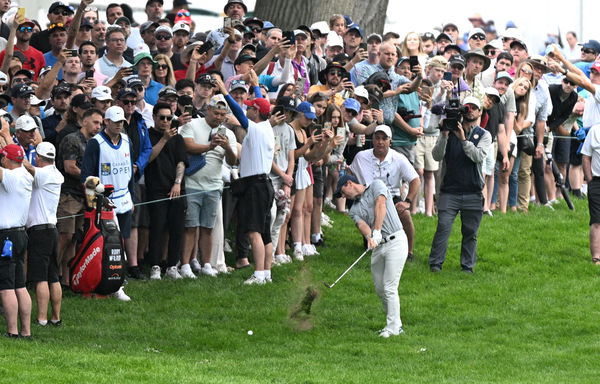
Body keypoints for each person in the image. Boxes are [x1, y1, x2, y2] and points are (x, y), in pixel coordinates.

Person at [335, 175, 408, 338]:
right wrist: (370, 237)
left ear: (349, 183)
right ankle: (396, 324)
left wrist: (376, 231)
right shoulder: (353, 209)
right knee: (380, 288)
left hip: (396, 241)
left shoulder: (376, 185)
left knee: (389, 286)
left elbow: (380, 205)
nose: (343, 197)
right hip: (378, 247)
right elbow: (361, 224)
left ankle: (393, 328)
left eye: (343, 192)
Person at [429, 96, 491, 273]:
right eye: (467, 107)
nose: (470, 110)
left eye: (474, 108)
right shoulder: (449, 129)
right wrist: (443, 135)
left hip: (473, 192)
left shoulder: (484, 135)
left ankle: (467, 266)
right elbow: (436, 156)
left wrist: (463, 139)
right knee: (443, 228)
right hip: (449, 191)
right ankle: (435, 264)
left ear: (480, 112)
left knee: (470, 233)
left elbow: (478, 156)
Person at [180, 95, 237, 278]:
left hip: (214, 186)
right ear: (208, 110)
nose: (218, 117)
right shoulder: (193, 125)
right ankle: (186, 264)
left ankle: (206, 264)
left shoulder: (227, 133)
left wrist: (227, 147)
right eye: (215, 113)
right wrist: (209, 146)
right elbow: (187, 146)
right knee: (190, 226)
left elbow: (233, 160)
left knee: (207, 227)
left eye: (222, 114)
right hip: (192, 184)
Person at [80, 106, 133, 301]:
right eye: (116, 122)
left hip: (125, 199)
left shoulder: (127, 140)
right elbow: (87, 176)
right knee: (112, 245)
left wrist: (132, 197)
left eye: (121, 122)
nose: (119, 125)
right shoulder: (96, 143)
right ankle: (114, 285)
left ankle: (116, 281)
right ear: (106, 122)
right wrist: (93, 202)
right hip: (105, 201)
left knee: (122, 242)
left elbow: (129, 172)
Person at [349, 125, 420, 260]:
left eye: (384, 139)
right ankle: (372, 240)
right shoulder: (361, 157)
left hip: (392, 196)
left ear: (390, 141)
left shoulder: (398, 158)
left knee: (405, 214)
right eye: (377, 138)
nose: (380, 142)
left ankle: (409, 252)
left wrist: (407, 201)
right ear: (373, 140)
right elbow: (350, 174)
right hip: (368, 198)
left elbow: (415, 180)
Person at [145, 102, 188, 280]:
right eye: (162, 118)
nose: (165, 121)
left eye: (169, 118)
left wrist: (177, 183)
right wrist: (163, 139)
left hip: (177, 188)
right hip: (156, 188)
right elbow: (148, 158)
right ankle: (154, 266)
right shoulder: (148, 135)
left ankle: (172, 266)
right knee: (157, 227)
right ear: (154, 118)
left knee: (177, 229)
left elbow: (181, 161)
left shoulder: (178, 138)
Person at [24, 142, 64, 327]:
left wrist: (8, 137)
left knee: (41, 277)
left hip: (39, 231)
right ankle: (56, 317)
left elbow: (26, 166)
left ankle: (41, 319)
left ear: (39, 158)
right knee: (53, 276)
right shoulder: (56, 173)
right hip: (52, 230)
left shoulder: (43, 174)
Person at [0, 142, 34, 338]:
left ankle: (12, 331)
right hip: (21, 234)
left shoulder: (10, 177)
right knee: (20, 284)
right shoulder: (26, 175)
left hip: (7, 237)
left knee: (6, 286)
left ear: (6, 159)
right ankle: (26, 331)